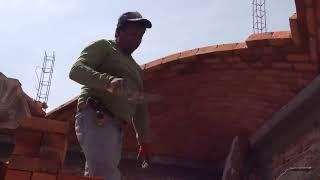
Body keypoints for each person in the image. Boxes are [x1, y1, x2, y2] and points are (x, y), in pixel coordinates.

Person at [69, 11, 152, 180]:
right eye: (132, 34)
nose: (137, 40)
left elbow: (140, 108)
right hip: (96, 116)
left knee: (98, 174)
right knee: (106, 174)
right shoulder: (104, 47)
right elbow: (76, 71)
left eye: (141, 36)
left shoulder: (136, 69)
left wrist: (143, 141)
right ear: (118, 32)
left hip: (115, 127)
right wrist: (108, 82)